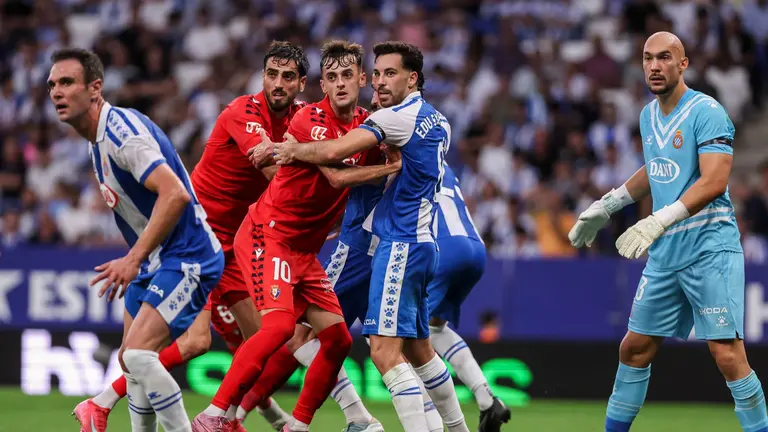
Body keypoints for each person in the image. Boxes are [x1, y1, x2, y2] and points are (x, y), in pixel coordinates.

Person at [72, 40, 307, 432]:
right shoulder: (243, 112)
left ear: (301, 83)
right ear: (262, 76)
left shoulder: (299, 120)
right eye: (271, 74)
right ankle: (103, 400)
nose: (278, 83)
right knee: (197, 341)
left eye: (287, 77)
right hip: (201, 237)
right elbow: (275, 176)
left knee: (263, 343)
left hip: (239, 243)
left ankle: (239, 417)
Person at [192, 39, 402, 432]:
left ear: (362, 79)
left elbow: (373, 161)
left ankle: (299, 425)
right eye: (332, 77)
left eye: (347, 76)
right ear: (322, 85)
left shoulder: (365, 126)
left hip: (304, 250)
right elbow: (337, 175)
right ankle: (213, 414)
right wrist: (390, 167)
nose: (340, 84)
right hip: (266, 236)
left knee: (338, 340)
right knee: (278, 329)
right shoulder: (307, 121)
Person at [568, 31, 768, 432]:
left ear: (683, 64)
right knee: (635, 348)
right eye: (647, 58)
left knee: (727, 355)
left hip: (710, 248)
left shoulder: (707, 112)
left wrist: (659, 219)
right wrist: (606, 206)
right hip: (666, 253)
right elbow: (656, 168)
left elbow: (713, 181)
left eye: (664, 58)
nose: (654, 66)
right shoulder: (647, 115)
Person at [272, 41, 469, 432]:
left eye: (389, 73)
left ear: (413, 79)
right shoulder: (438, 119)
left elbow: (334, 153)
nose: (379, 81)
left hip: (396, 245)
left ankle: (359, 420)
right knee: (420, 351)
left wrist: (293, 149)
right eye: (377, 73)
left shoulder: (395, 119)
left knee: (380, 351)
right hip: (423, 244)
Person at [48, 48, 224, 432]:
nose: (56, 92)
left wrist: (133, 258)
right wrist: (141, 259)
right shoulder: (97, 141)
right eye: (52, 85)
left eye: (66, 82)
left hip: (188, 255)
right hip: (156, 260)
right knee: (133, 362)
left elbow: (174, 193)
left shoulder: (120, 134)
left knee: (141, 357)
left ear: (95, 88)